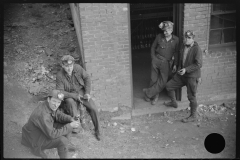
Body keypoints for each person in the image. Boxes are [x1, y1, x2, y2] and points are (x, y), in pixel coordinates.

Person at [21, 90, 80, 158]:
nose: (56, 105)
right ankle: (63, 145)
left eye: (58, 102)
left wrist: (70, 119)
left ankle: (64, 147)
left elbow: (58, 114)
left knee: (68, 124)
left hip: (41, 132)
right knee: (62, 140)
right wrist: (69, 126)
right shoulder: (43, 115)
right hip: (36, 140)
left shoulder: (48, 105)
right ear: (48, 99)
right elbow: (52, 134)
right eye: (54, 101)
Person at [56, 55, 101, 140]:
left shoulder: (78, 68)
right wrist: (74, 96)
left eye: (71, 66)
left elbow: (87, 78)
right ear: (62, 65)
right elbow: (60, 92)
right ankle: (76, 126)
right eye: (66, 66)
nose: (69, 69)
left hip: (81, 92)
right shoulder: (59, 75)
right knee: (70, 103)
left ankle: (98, 131)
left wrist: (87, 93)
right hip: (69, 95)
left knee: (93, 108)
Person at [164, 30, 203, 123]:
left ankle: (193, 116)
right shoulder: (182, 45)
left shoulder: (197, 49)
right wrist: (176, 65)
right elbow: (179, 56)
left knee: (191, 96)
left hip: (192, 76)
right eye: (185, 37)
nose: (186, 39)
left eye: (189, 38)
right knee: (169, 86)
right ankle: (173, 102)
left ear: (193, 39)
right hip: (182, 74)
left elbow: (198, 64)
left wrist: (186, 69)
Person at [143, 21, 179, 105]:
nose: (164, 33)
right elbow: (153, 47)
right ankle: (154, 97)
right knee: (153, 79)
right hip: (156, 59)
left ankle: (147, 93)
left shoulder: (176, 40)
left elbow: (176, 52)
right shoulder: (159, 37)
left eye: (166, 31)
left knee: (163, 81)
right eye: (164, 31)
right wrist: (153, 58)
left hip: (166, 62)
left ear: (171, 30)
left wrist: (175, 64)